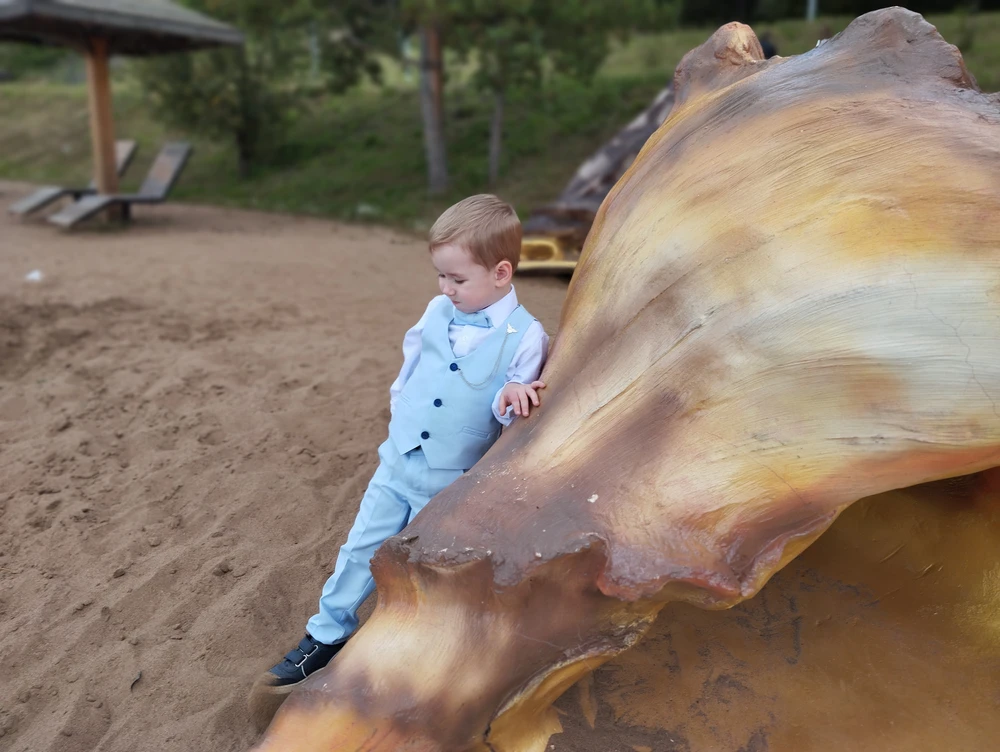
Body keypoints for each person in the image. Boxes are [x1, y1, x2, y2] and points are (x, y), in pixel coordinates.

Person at [253, 194, 549, 700]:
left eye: (457, 279)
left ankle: (430, 658)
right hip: (399, 460)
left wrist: (510, 396)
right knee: (359, 548)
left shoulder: (527, 336)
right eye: (441, 276)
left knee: (439, 569)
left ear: (501, 273)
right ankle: (325, 636)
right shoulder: (437, 311)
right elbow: (409, 370)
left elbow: (512, 411)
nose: (445, 288)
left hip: (451, 481)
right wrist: (402, 422)